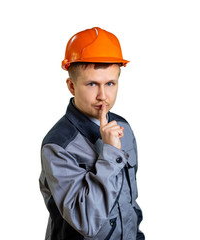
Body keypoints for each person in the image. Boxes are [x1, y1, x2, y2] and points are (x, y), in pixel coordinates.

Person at [39, 27, 145, 240]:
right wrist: (110, 154)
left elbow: (128, 203)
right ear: (71, 86)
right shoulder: (59, 145)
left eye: (110, 83)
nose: (103, 95)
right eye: (92, 84)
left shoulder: (123, 127)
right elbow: (86, 221)